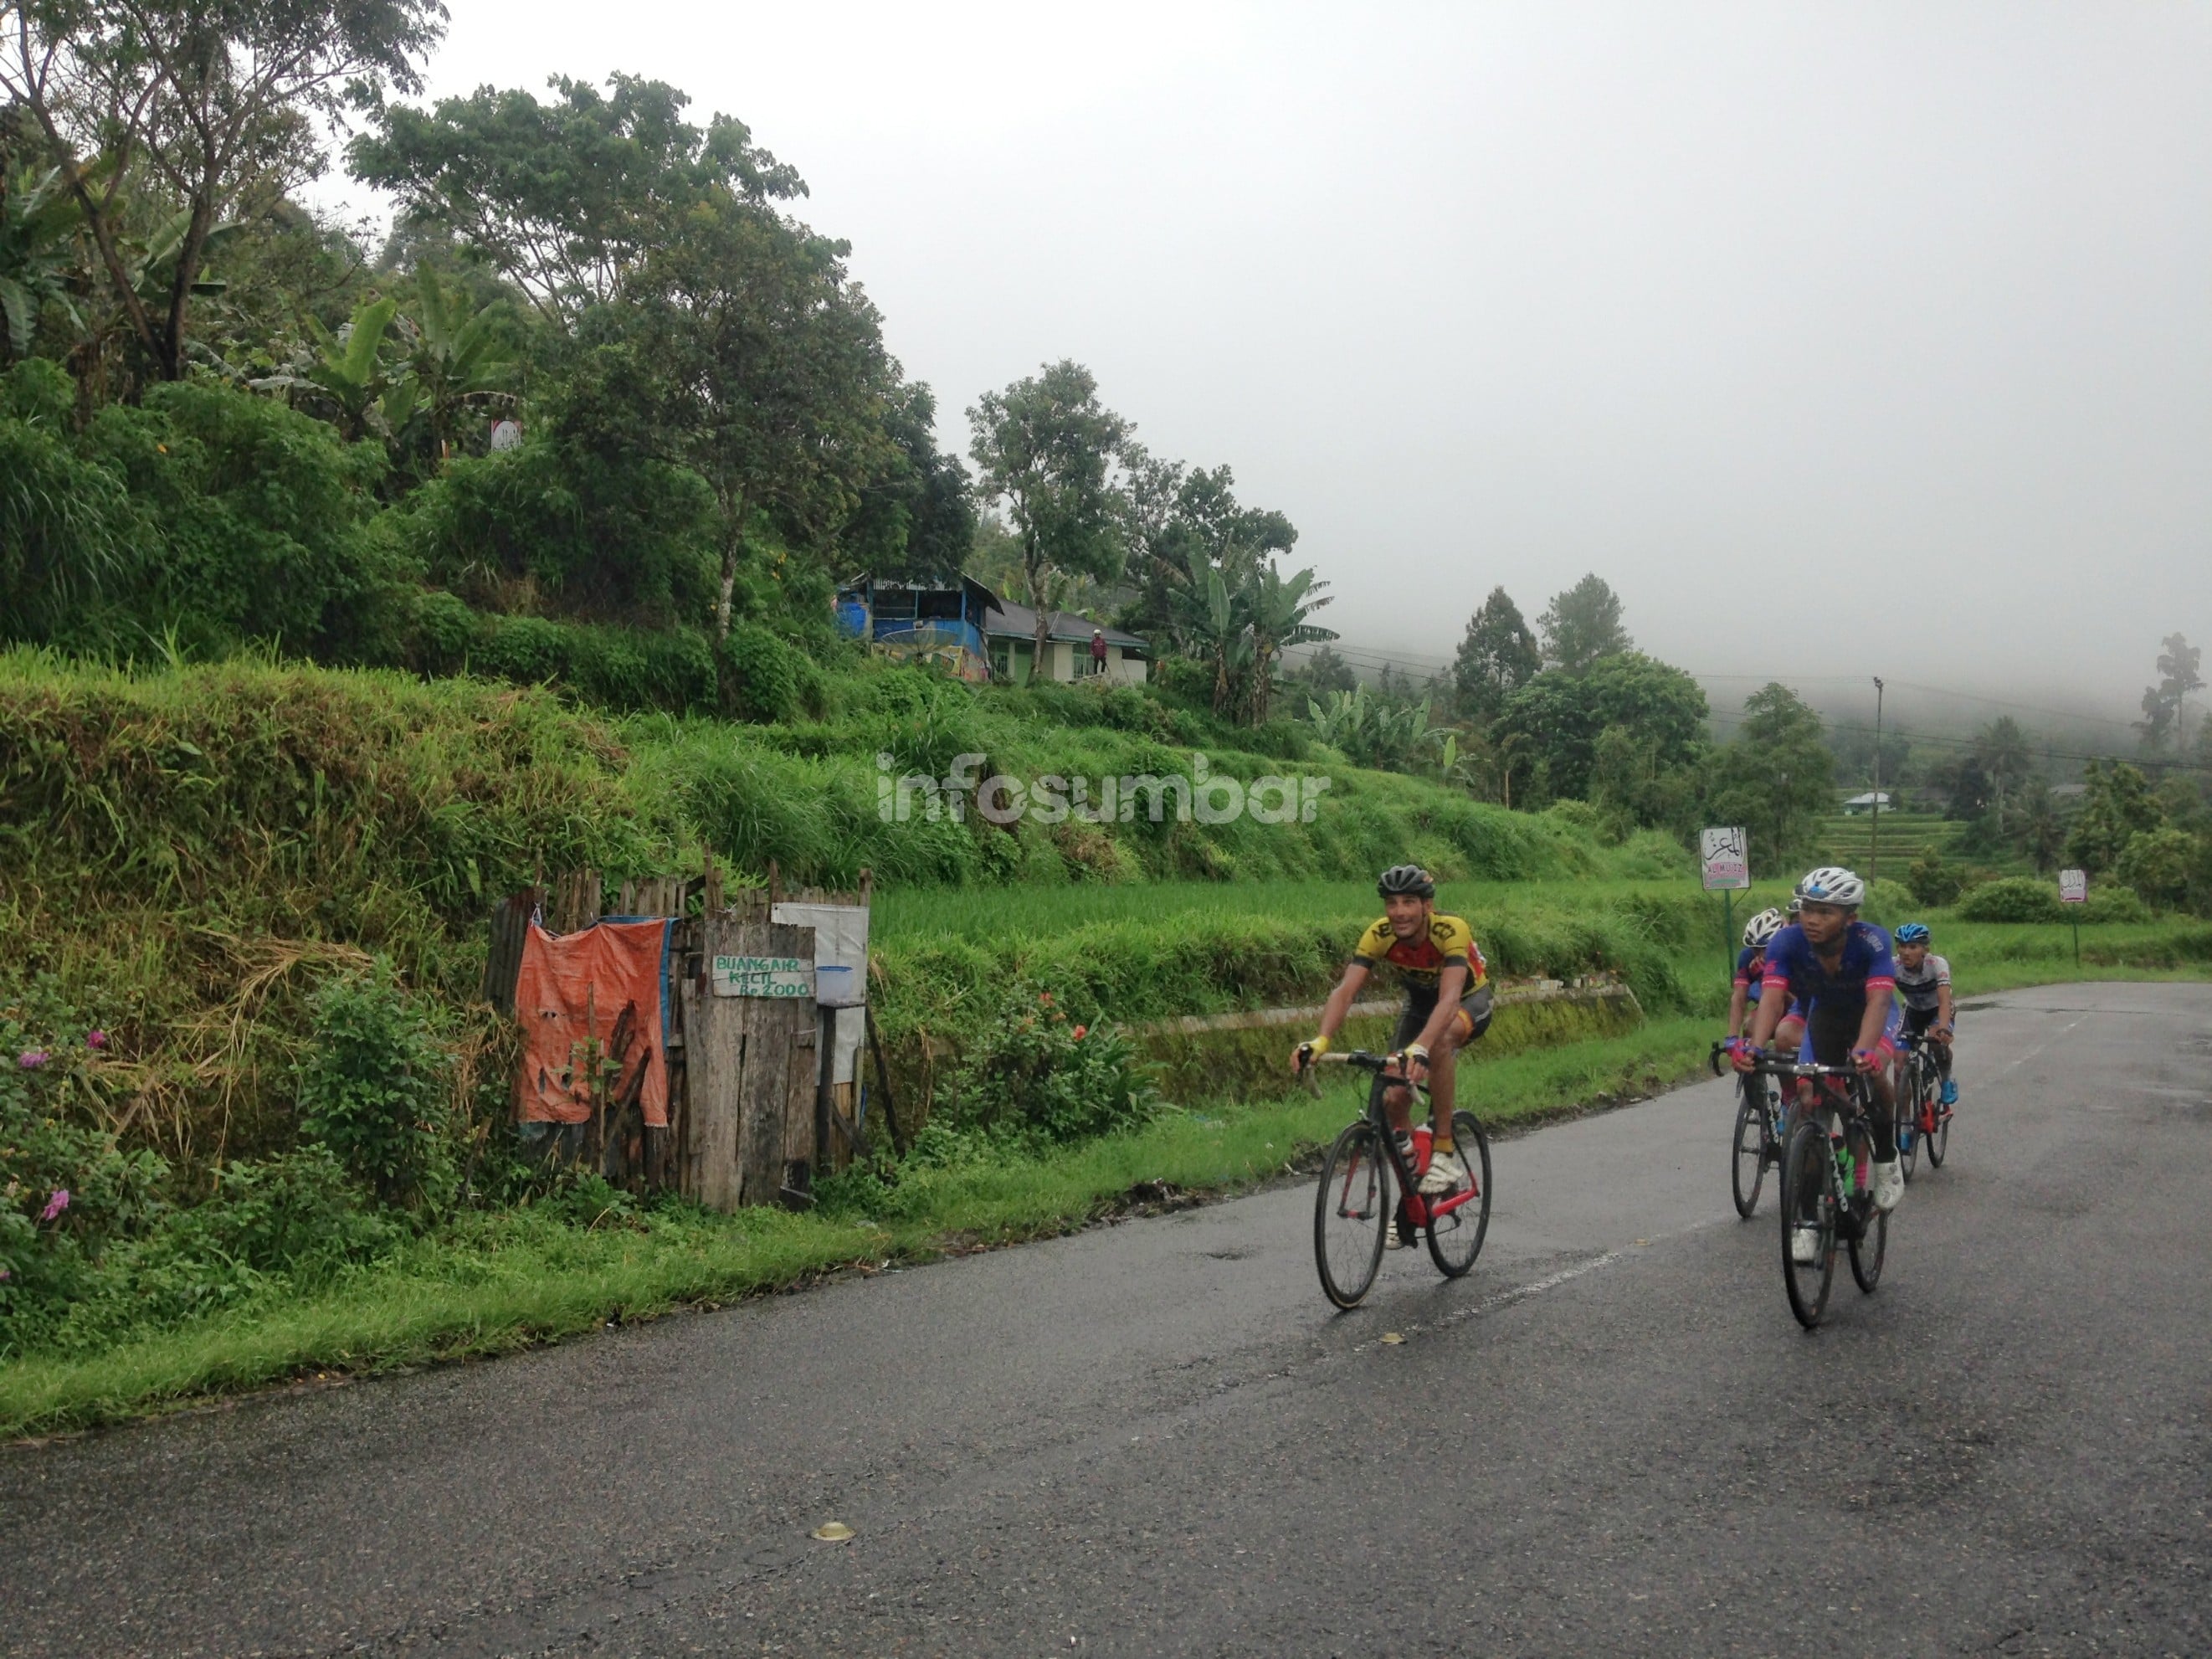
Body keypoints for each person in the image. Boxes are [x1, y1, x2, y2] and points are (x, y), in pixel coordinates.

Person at [1733, 865, 1904, 1259]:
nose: (1812, 918)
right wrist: (1755, 1048)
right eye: (1808, 908)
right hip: (1825, 1016)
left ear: (1850, 918)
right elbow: (1773, 998)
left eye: (1825, 912)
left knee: (1877, 1071)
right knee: (1809, 1100)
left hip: (1871, 1015)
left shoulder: (1872, 941)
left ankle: (1885, 1158)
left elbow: (1879, 1001)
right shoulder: (1786, 942)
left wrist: (1864, 1049)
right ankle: (1807, 1218)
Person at [1294, 865, 1493, 1196]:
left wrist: (1422, 1047)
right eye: (1392, 903)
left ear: (1427, 906)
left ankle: (1443, 1151)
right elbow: (1345, 990)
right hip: (1418, 1007)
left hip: (1466, 1002)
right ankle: (1411, 1172)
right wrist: (1321, 1040)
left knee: (1440, 1041)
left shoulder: (1450, 931)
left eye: (1409, 902)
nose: (1399, 912)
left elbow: (1449, 999)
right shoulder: (1379, 934)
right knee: (1392, 1097)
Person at [1891, 922, 1957, 1108]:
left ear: (1925, 949)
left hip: (1937, 1010)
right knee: (1898, 1065)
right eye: (1902, 946)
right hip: (1913, 1011)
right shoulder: (1893, 965)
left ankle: (1946, 1080)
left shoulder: (1937, 964)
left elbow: (1944, 1001)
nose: (1906, 952)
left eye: (1913, 947)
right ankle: (1903, 1126)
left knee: (1937, 1043)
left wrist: (1943, 1028)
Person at [1726, 907, 1789, 1045]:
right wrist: (1732, 1037)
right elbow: (1739, 997)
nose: (1760, 955)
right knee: (1750, 1027)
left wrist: (1767, 977)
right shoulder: (1747, 957)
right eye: (1755, 949)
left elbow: (1800, 1002)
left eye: (1765, 949)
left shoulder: (1792, 952)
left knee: (1786, 1035)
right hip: (1771, 1008)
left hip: (1799, 1009)